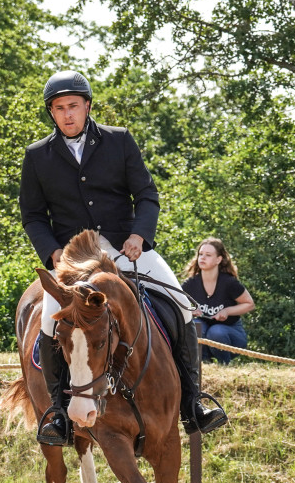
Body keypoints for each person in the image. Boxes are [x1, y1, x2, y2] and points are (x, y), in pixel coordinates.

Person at [19, 70, 228, 445]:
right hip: (72, 259)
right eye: (59, 108)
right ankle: (57, 415)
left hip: (124, 248)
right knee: (51, 324)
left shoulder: (119, 140)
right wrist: (51, 252)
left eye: (73, 106)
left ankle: (194, 405)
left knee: (181, 305)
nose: (67, 115)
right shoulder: (37, 156)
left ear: (87, 106)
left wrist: (139, 234)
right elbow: (33, 215)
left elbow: (146, 195)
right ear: (51, 112)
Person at [182, 237, 255, 365]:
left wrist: (227, 311)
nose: (202, 258)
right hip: (204, 331)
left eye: (208, 255)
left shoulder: (229, 283)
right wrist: (190, 310)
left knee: (216, 332)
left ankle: (224, 365)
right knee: (195, 327)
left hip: (231, 334)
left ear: (218, 259)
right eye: (200, 254)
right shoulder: (191, 284)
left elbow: (249, 304)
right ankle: (203, 364)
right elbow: (175, 303)